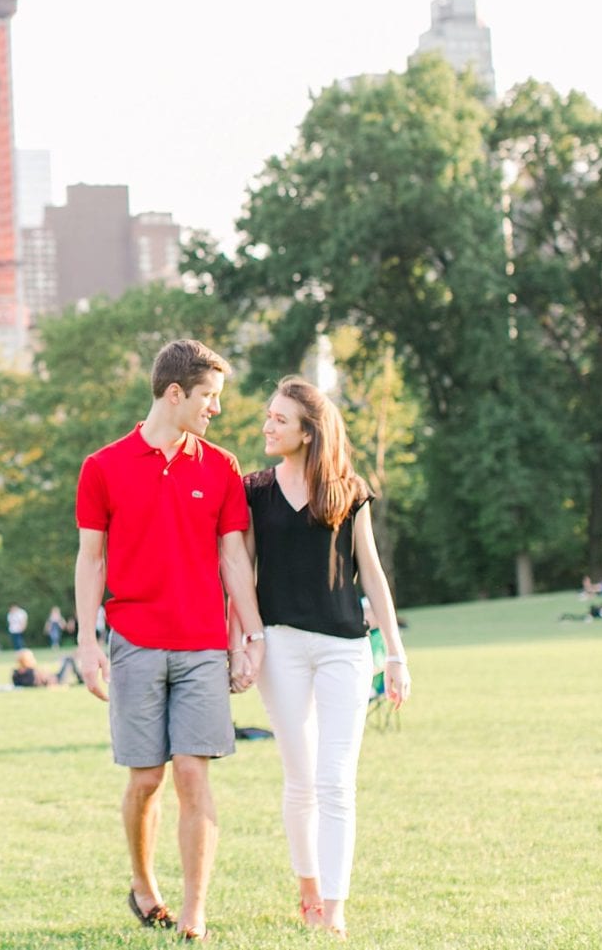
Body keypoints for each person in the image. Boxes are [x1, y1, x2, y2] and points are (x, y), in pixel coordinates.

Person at [75, 338, 262, 940]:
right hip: (133, 641)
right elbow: (90, 561)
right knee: (146, 777)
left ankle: (193, 911)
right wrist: (87, 641)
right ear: (174, 393)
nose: (215, 409)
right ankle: (142, 883)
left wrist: (248, 635)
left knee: (192, 772)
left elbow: (235, 559)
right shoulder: (102, 467)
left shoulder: (222, 467)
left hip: (204, 643)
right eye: (208, 397)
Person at [241, 376, 410, 941]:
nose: (267, 425)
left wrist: (395, 656)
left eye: (280, 419)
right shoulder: (253, 491)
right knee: (301, 778)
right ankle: (307, 887)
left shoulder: (349, 491)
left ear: (309, 433)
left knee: (337, 780)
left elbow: (374, 575)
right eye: (268, 416)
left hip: (344, 648)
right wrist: (241, 639)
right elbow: (238, 572)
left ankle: (334, 907)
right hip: (280, 647)